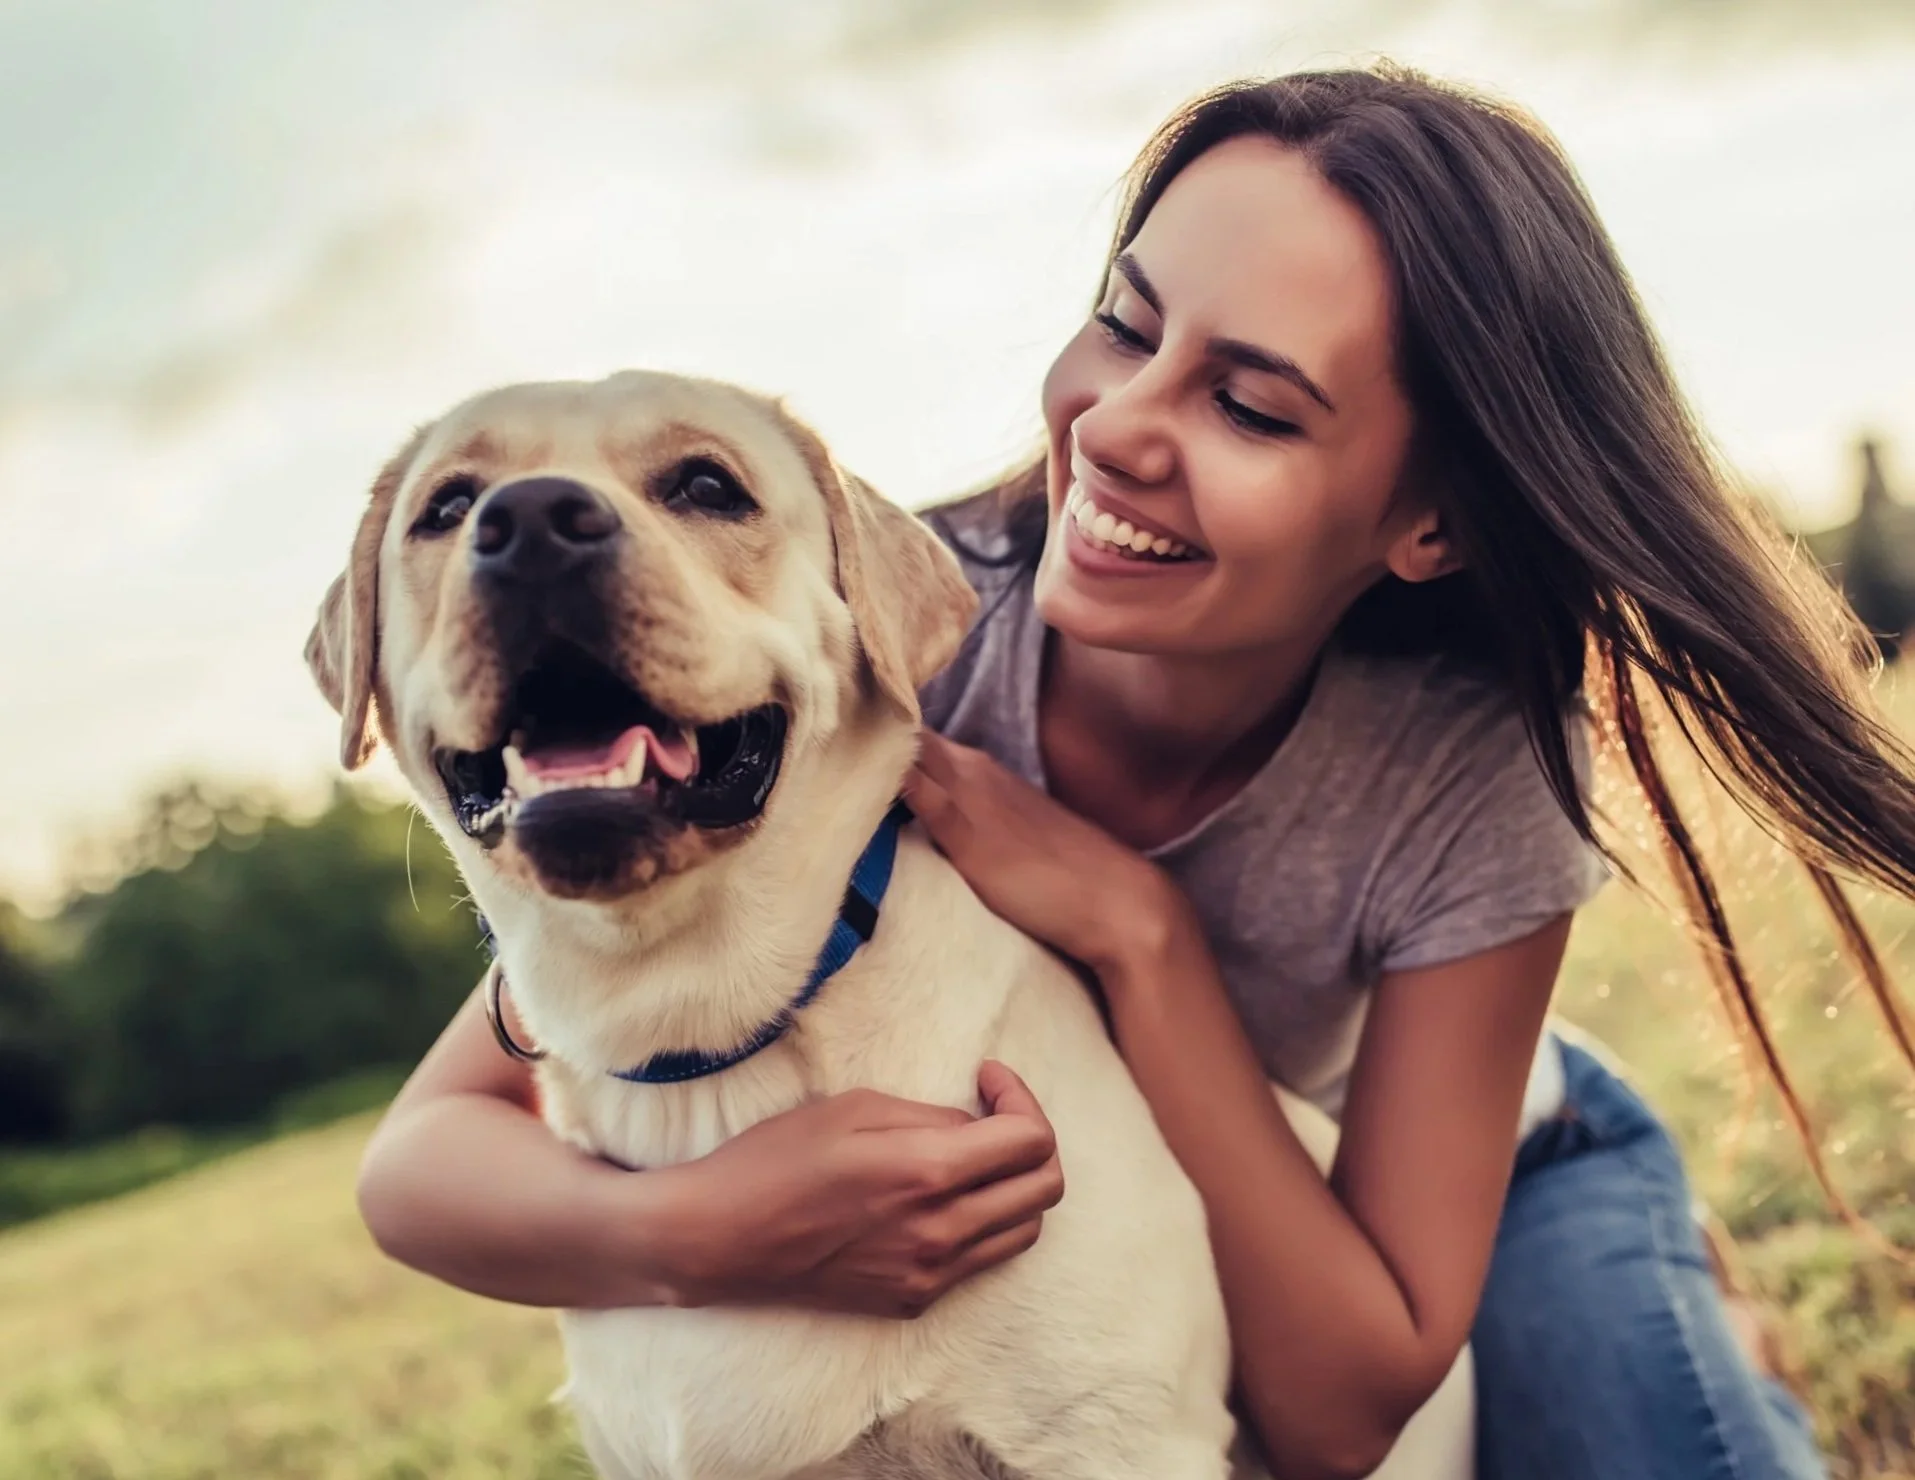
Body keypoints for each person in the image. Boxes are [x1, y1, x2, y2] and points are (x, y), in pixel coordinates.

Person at [355, 67, 1915, 1479]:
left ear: (1425, 524)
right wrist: (710, 1228)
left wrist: (1138, 935)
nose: (1116, 426)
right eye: (1123, 320)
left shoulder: (1469, 761)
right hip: (1181, 1241)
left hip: (1489, 1189)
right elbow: (425, 1162)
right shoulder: (869, 647)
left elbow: (1333, 1412)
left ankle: (1688, 1305)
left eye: (1248, 404)